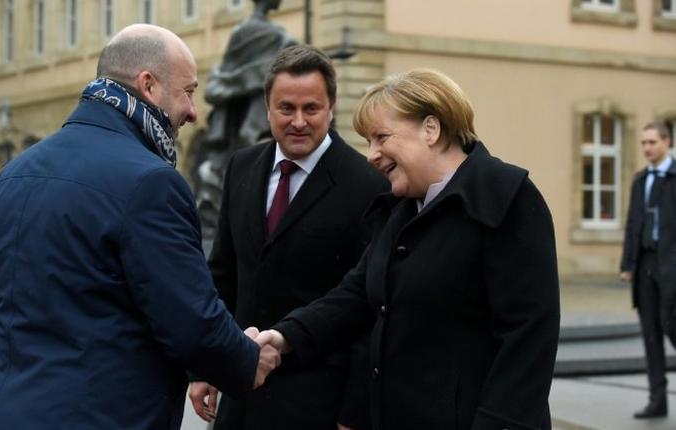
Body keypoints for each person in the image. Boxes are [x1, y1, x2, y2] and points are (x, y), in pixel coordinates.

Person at [0, 24, 280, 430]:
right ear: (148, 85)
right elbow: (190, 322)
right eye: (188, 91)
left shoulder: (14, 174)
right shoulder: (151, 182)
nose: (194, 111)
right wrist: (249, 359)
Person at [255, 69, 561, 430]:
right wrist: (283, 338)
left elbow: (527, 341)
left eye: (381, 137)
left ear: (431, 129)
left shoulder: (507, 198)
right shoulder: (400, 210)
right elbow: (353, 298)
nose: (371, 155)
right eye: (368, 141)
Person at [188, 45, 387, 430]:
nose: (298, 121)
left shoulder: (368, 185)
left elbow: (369, 305)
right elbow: (222, 277)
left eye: (311, 109)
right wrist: (204, 366)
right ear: (268, 108)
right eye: (286, 108)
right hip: (241, 399)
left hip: (318, 406)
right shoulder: (242, 166)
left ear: (331, 107)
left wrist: (354, 412)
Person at [193, 0, 296, 233]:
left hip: (255, 108)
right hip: (255, 109)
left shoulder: (245, 32)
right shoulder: (269, 34)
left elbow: (228, 72)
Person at [620, 122, 676, 419]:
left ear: (667, 142)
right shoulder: (641, 180)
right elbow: (633, 224)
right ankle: (658, 399)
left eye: (652, 142)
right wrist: (628, 263)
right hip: (645, 266)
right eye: (643, 143)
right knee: (651, 334)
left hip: (672, 267)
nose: (646, 148)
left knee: (672, 327)